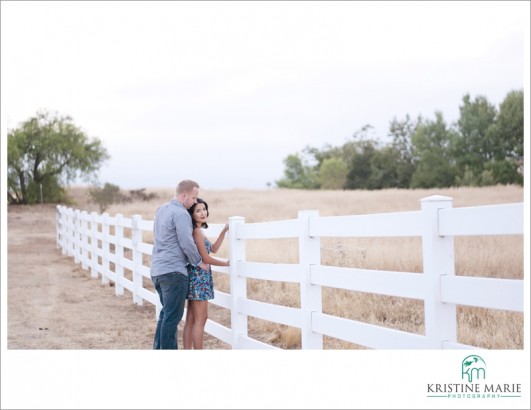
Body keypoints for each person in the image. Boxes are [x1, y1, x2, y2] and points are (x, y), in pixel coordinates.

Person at [150, 179, 210, 349]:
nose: (194, 202)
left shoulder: (161, 210)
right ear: (184, 196)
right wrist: (198, 262)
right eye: (193, 197)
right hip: (173, 272)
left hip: (157, 271)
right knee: (172, 318)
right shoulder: (181, 214)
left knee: (165, 315)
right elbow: (186, 242)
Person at [183, 198, 229, 349]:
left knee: (191, 319)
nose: (203, 213)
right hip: (199, 278)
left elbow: (213, 249)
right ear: (191, 214)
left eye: (204, 209)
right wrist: (226, 264)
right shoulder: (196, 232)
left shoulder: (198, 231)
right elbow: (206, 258)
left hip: (197, 277)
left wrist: (224, 231)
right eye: (198, 211)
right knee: (201, 319)